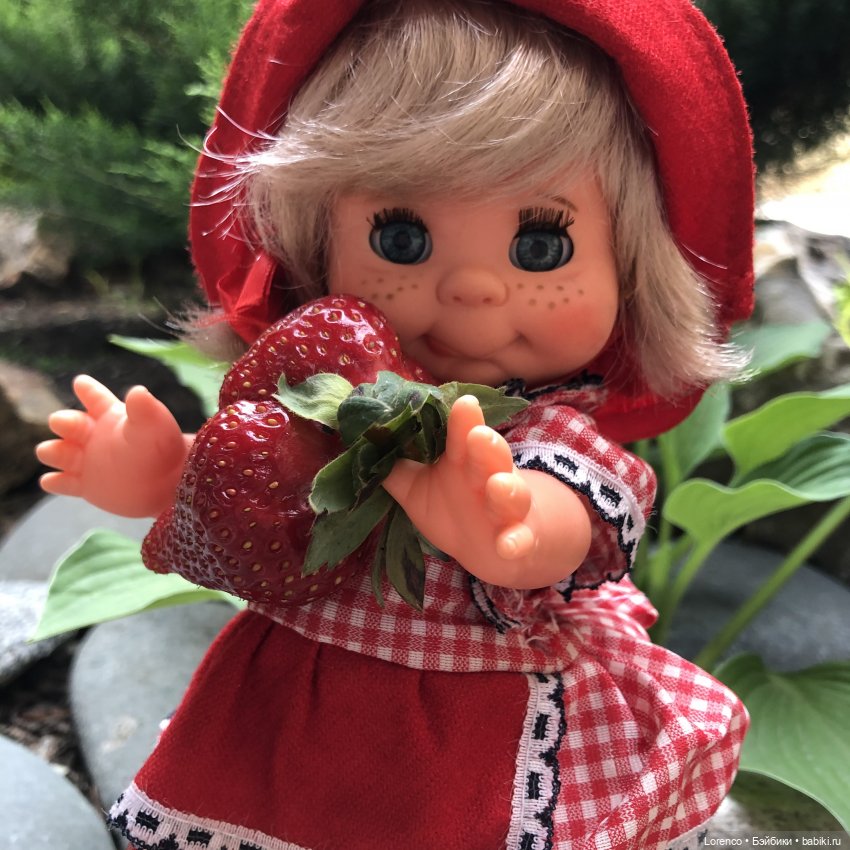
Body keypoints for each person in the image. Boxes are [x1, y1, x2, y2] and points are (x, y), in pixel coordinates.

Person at [36, 1, 757, 847]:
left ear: (631, 265)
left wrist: (507, 525)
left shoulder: (550, 436)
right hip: (293, 696)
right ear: (315, 242)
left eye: (540, 246)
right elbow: (258, 472)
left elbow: (564, 526)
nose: (472, 287)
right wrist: (163, 473)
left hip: (467, 719)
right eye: (402, 236)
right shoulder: (338, 392)